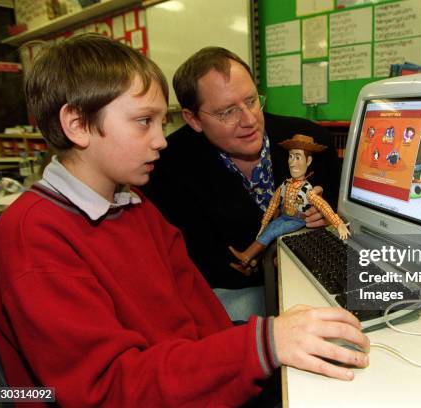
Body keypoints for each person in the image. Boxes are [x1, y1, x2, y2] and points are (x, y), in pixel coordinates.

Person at [0, 34, 368, 407]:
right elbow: (105, 390)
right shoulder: (34, 237)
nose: (161, 140)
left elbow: (202, 324)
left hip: (184, 380)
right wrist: (263, 343)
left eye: (160, 121)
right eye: (143, 121)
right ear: (78, 124)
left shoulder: (134, 204)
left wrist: (273, 340)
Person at [143, 47, 341, 320]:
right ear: (193, 119)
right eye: (227, 112)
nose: (249, 121)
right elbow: (199, 264)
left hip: (316, 278)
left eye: (251, 101)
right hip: (234, 290)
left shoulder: (311, 140)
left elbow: (347, 224)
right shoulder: (166, 168)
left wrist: (327, 221)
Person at [229, 134, 350, 269]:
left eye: (298, 157)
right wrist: (264, 223)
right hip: (285, 216)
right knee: (270, 229)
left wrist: (338, 223)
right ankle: (251, 263)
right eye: (291, 156)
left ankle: (246, 256)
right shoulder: (285, 185)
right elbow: (273, 205)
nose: (292, 162)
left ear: (308, 161)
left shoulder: (307, 189)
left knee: (274, 231)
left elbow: (323, 206)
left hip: (298, 220)